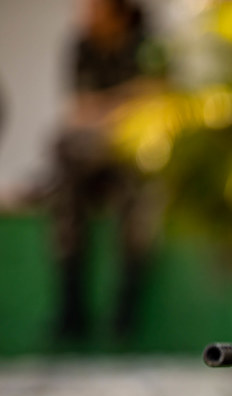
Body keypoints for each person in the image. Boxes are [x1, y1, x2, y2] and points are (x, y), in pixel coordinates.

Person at [50, 0, 163, 339]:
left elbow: (156, 102)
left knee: (141, 201)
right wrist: (123, 104)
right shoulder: (82, 46)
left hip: (134, 157)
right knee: (63, 177)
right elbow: (78, 110)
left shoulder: (148, 47)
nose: (85, 15)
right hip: (90, 157)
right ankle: (71, 308)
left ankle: (124, 312)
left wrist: (106, 109)